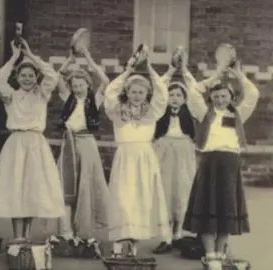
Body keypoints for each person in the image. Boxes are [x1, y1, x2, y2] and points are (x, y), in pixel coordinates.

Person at [181, 58, 259, 269]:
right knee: (207, 209)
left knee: (226, 209)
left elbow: (253, 94)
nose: (220, 100)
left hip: (230, 165)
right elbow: (194, 91)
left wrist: (238, 75)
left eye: (224, 96)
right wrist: (216, 76)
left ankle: (221, 251)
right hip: (209, 164)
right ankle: (210, 254)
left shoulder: (238, 115)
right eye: (215, 97)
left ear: (232, 97)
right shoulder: (203, 113)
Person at [0, 39, 65, 243]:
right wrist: (15, 57)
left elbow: (52, 75)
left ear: (35, 78)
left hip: (36, 144)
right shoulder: (11, 96)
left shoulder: (42, 95)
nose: (27, 79)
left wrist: (31, 55)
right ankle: (17, 237)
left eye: (31, 75)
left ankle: (27, 236)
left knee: (32, 189)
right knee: (16, 189)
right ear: (17, 77)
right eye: (23, 75)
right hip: (16, 144)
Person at [103, 46, 171, 257]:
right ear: (128, 92)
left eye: (141, 92)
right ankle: (118, 242)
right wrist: (128, 71)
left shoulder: (152, 111)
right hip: (125, 158)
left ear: (146, 94)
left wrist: (148, 67)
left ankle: (133, 243)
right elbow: (110, 92)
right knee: (123, 199)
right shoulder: (117, 111)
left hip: (144, 159)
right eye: (133, 91)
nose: (137, 95)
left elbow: (162, 93)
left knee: (141, 199)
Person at [54, 47, 109, 242]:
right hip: (68, 143)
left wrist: (88, 58)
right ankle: (65, 231)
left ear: (87, 83)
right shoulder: (67, 98)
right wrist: (69, 59)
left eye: (81, 85)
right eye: (74, 85)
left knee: (85, 186)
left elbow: (105, 81)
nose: (78, 89)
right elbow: (57, 78)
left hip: (86, 143)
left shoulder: (95, 98)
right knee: (66, 185)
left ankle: (83, 232)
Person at [152, 52, 197, 254]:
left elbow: (195, 89)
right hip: (163, 150)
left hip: (184, 152)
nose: (175, 99)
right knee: (164, 192)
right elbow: (158, 87)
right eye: (172, 95)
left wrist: (184, 70)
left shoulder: (191, 114)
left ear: (184, 99)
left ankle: (178, 233)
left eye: (179, 95)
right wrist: (171, 70)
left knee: (182, 191)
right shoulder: (159, 111)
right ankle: (165, 236)